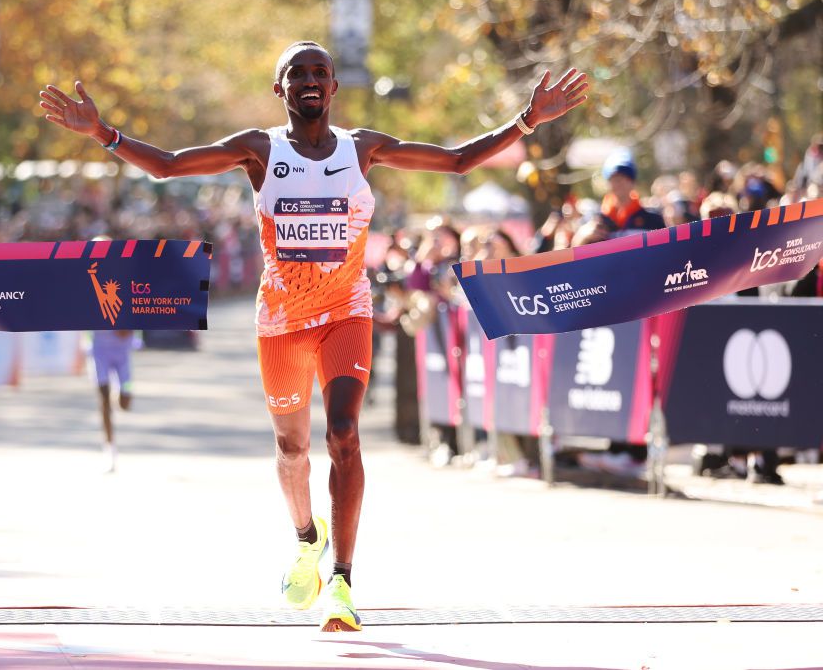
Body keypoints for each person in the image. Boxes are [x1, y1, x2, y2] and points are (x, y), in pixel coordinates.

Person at [39, 41, 587, 632]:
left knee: (344, 433)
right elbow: (171, 164)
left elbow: (455, 161)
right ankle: (307, 536)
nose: (309, 80)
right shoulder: (259, 150)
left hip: (345, 312)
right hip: (280, 321)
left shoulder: (363, 148)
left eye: (320, 73)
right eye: (296, 73)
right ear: (280, 89)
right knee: (293, 450)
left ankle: (344, 583)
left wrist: (527, 120)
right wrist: (103, 133)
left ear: (332, 89)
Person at [90, 328, 134, 473]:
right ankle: (109, 449)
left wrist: (128, 328)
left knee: (125, 403)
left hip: (123, 353)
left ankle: (119, 391)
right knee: (104, 400)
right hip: (100, 350)